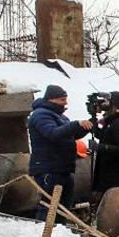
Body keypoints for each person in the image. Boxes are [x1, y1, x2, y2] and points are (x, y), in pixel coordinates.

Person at [28, 85, 92, 220]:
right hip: (48, 169)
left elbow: (69, 134)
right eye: (63, 100)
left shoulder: (60, 116)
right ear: (53, 99)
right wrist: (75, 125)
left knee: (63, 208)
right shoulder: (40, 115)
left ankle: (60, 233)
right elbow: (53, 134)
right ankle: (42, 234)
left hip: (62, 168)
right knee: (49, 206)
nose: (66, 103)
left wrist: (87, 125)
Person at [91, 91, 119, 202]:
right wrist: (93, 118)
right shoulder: (111, 122)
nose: (103, 104)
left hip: (116, 177)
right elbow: (103, 136)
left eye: (106, 101)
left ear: (113, 103)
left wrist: (100, 147)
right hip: (107, 174)